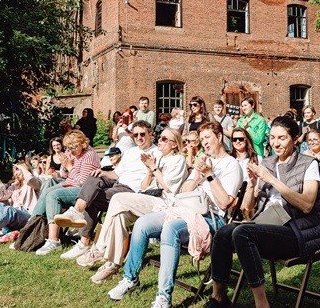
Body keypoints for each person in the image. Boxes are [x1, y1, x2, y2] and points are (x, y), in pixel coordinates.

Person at [107, 121, 242, 308]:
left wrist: (210, 175)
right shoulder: (203, 161)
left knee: (171, 228)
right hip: (186, 210)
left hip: (212, 218)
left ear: (219, 137)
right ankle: (130, 279)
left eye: (208, 138)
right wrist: (196, 174)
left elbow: (225, 203)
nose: (205, 143)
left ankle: (163, 297)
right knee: (143, 223)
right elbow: (183, 192)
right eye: (202, 139)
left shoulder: (231, 164)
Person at [206, 116, 320, 308]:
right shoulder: (268, 162)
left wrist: (272, 180)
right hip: (266, 224)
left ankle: (261, 303)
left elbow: (307, 205)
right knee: (223, 233)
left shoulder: (308, 164)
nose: (275, 143)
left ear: (295, 139)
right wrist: (253, 185)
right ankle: (219, 297)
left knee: (243, 233)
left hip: (296, 232)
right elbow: (248, 208)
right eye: (272, 138)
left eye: (282, 138)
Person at [76, 128, 188, 284]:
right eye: (160, 138)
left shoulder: (178, 160)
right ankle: (112, 265)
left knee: (118, 198)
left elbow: (169, 188)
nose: (160, 141)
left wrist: (154, 169)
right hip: (148, 197)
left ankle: (100, 248)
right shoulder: (159, 158)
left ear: (175, 144)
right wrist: (149, 171)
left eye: (164, 139)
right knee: (119, 216)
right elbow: (143, 187)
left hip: (164, 204)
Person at [54, 121, 160, 260]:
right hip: (117, 183)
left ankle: (83, 241)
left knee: (91, 197)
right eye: (135, 135)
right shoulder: (131, 151)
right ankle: (77, 212)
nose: (139, 137)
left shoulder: (157, 152)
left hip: (132, 191)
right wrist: (102, 173)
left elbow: (155, 178)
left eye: (142, 134)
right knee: (94, 176)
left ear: (150, 134)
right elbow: (116, 174)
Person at [30, 130, 101, 255]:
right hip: (70, 183)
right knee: (46, 191)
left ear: (83, 144)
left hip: (85, 192)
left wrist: (69, 166)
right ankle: (29, 230)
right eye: (68, 148)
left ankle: (53, 240)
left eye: (74, 148)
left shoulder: (89, 155)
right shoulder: (74, 152)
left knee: (53, 195)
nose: (71, 151)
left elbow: (83, 183)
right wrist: (64, 165)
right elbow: (64, 175)